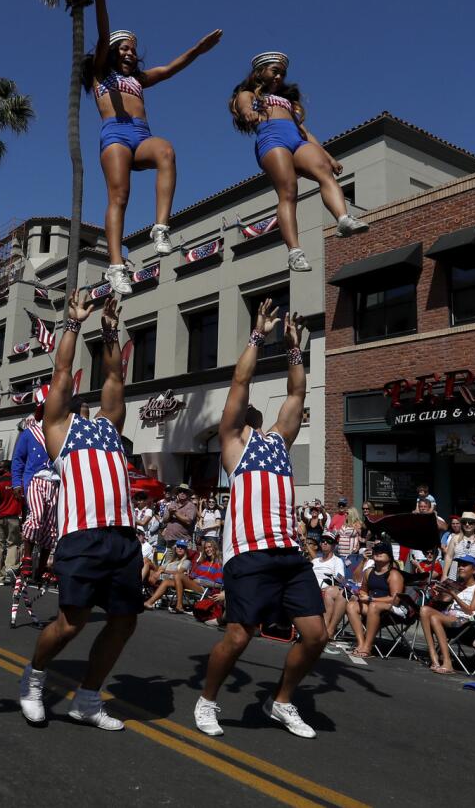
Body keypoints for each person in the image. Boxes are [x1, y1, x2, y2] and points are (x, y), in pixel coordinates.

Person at [197, 300, 327, 738]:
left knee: (316, 636)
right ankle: (207, 702)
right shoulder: (233, 444)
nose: (244, 408)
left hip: (288, 553)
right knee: (238, 637)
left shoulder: (277, 441)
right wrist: (257, 335)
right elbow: (240, 379)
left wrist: (293, 349)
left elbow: (296, 395)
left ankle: (281, 702)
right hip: (249, 553)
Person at [18, 293, 138, 731]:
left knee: (124, 623)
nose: (76, 399)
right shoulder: (57, 431)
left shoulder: (109, 426)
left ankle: (87, 699)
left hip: (123, 535)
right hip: (82, 535)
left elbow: (115, 375)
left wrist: (110, 332)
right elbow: (62, 371)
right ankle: (33, 680)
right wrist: (73, 324)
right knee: (71, 623)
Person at [86, 0, 220, 294]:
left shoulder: (139, 80)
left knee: (166, 151)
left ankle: (160, 227)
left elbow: (170, 69)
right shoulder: (100, 73)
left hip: (141, 136)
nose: (130, 52)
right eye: (125, 48)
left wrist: (196, 51)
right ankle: (116, 266)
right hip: (114, 135)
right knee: (120, 196)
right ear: (114, 53)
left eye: (134, 49)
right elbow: (103, 37)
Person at [228, 51, 367, 273]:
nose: (279, 77)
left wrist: (328, 156)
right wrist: (248, 113)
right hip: (272, 138)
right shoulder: (249, 94)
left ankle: (342, 218)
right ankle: (295, 252)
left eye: (282, 73)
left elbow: (305, 132)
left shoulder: (288, 102)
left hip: (295, 140)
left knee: (323, 171)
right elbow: (244, 105)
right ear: (260, 72)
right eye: (275, 71)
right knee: (288, 191)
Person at [11, 387, 59, 582]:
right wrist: (16, 483)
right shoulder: (30, 433)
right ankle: (28, 558)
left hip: (55, 482)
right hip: (35, 479)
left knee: (51, 527)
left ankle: (40, 568)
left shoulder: (61, 432)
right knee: (36, 517)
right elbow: (18, 460)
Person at [420, 556, 475, 674]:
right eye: (460, 564)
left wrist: (453, 594)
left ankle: (447, 662)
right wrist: (439, 592)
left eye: (465, 565)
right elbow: (442, 602)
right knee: (424, 610)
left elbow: (471, 611)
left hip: (466, 622)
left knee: (435, 617)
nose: (460, 567)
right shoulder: (457, 585)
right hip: (450, 617)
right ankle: (434, 656)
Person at [346, 542, 406, 660]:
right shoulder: (369, 572)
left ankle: (368, 647)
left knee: (374, 605)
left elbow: (395, 599)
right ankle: (361, 643)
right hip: (373, 605)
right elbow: (363, 590)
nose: (378, 553)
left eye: (382, 551)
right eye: (376, 551)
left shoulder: (393, 574)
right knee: (351, 606)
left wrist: (370, 599)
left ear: (389, 556)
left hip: (393, 609)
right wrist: (360, 594)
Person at [0, 468, 23, 586]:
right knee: (14, 544)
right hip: (14, 518)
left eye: (0, 467)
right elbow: (25, 503)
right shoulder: (20, 483)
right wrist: (25, 519)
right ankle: (11, 567)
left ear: (4, 469)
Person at [311, 534, 348, 639]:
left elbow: (341, 577)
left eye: (328, 541)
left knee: (329, 591)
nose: (325, 543)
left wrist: (335, 578)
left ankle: (325, 628)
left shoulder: (337, 561)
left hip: (325, 587)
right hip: (311, 586)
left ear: (334, 545)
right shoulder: (315, 561)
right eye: (322, 540)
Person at [442, 512, 475, 579]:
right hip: (455, 576)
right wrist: (444, 575)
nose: (467, 524)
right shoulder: (455, 538)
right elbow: (449, 557)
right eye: (464, 522)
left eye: (470, 522)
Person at [143, 540, 192, 612]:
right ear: (175, 549)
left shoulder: (186, 562)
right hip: (160, 576)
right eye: (178, 547)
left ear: (185, 550)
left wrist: (163, 571)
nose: (180, 548)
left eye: (182, 547)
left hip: (170, 580)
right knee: (146, 560)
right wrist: (155, 556)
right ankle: (137, 585)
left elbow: (179, 573)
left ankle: (144, 597)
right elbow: (159, 568)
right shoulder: (171, 560)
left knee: (149, 568)